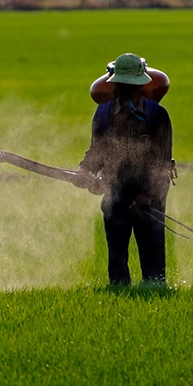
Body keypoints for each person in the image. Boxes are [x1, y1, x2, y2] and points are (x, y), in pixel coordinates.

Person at [78, 53, 174, 286]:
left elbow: (161, 162)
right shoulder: (103, 114)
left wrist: (148, 195)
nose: (127, 90)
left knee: (152, 253)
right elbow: (97, 149)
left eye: (132, 86)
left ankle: (155, 287)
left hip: (149, 196)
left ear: (141, 85)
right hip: (115, 191)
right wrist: (84, 170)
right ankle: (119, 288)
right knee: (116, 253)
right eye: (123, 85)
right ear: (116, 85)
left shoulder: (157, 115)